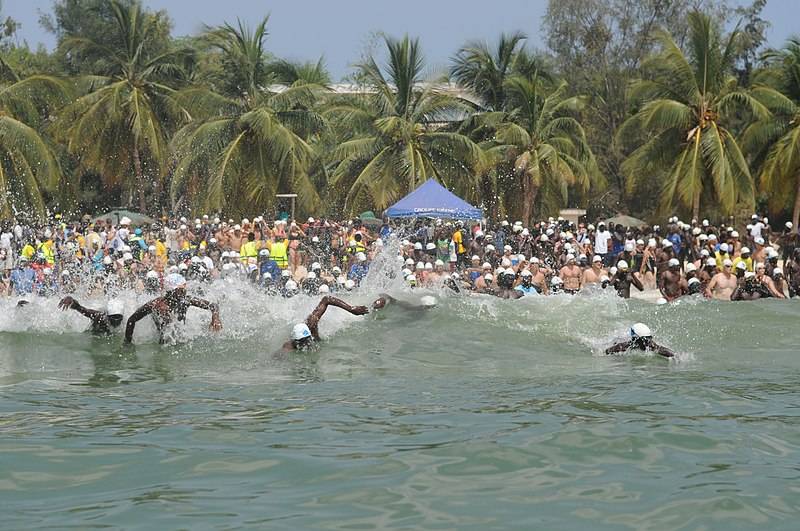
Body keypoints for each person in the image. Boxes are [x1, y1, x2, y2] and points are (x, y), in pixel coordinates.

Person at [124, 273, 221, 344]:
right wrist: (128, 342)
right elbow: (131, 320)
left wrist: (215, 318)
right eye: (182, 289)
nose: (185, 291)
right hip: (163, 344)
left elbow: (213, 305)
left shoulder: (186, 300)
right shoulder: (156, 304)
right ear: (173, 291)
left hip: (181, 339)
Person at [283, 296, 369, 351]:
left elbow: (326, 299)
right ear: (295, 342)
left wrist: (351, 308)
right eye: (303, 342)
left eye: (308, 340)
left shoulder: (311, 323)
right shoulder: (288, 347)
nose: (307, 344)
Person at [58, 296, 124, 335]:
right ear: (109, 316)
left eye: (119, 319)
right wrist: (72, 302)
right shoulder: (100, 317)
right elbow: (83, 309)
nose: (116, 321)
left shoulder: (124, 320)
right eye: (113, 318)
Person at [605, 323, 675, 358]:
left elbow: (673, 355)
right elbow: (606, 351)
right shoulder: (624, 346)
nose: (646, 343)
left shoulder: (652, 346)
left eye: (648, 340)